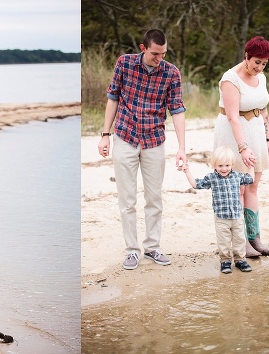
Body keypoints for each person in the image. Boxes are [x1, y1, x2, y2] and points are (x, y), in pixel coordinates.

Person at [97, 29, 187, 270]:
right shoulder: (124, 64)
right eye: (155, 54)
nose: (159, 59)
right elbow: (113, 97)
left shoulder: (171, 73)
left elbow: (177, 110)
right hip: (125, 137)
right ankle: (132, 251)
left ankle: (152, 247)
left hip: (154, 140)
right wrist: (105, 135)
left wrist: (182, 148)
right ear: (143, 48)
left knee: (154, 198)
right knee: (127, 200)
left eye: (163, 54)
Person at [213, 36, 269, 258]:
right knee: (238, 189)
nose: (259, 67)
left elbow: (264, 110)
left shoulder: (262, 78)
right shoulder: (230, 79)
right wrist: (243, 148)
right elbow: (232, 118)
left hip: (256, 133)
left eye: (264, 63)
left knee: (253, 186)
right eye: (256, 62)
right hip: (233, 136)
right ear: (246, 56)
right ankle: (241, 243)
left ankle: (254, 236)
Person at [181, 146, 254, 273]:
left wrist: (251, 166)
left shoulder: (237, 176)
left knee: (239, 239)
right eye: (220, 165)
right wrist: (187, 172)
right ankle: (225, 261)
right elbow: (196, 184)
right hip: (221, 217)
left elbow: (250, 179)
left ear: (232, 164)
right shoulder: (212, 178)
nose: (224, 169)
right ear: (214, 164)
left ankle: (240, 260)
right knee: (224, 241)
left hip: (237, 216)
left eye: (227, 165)